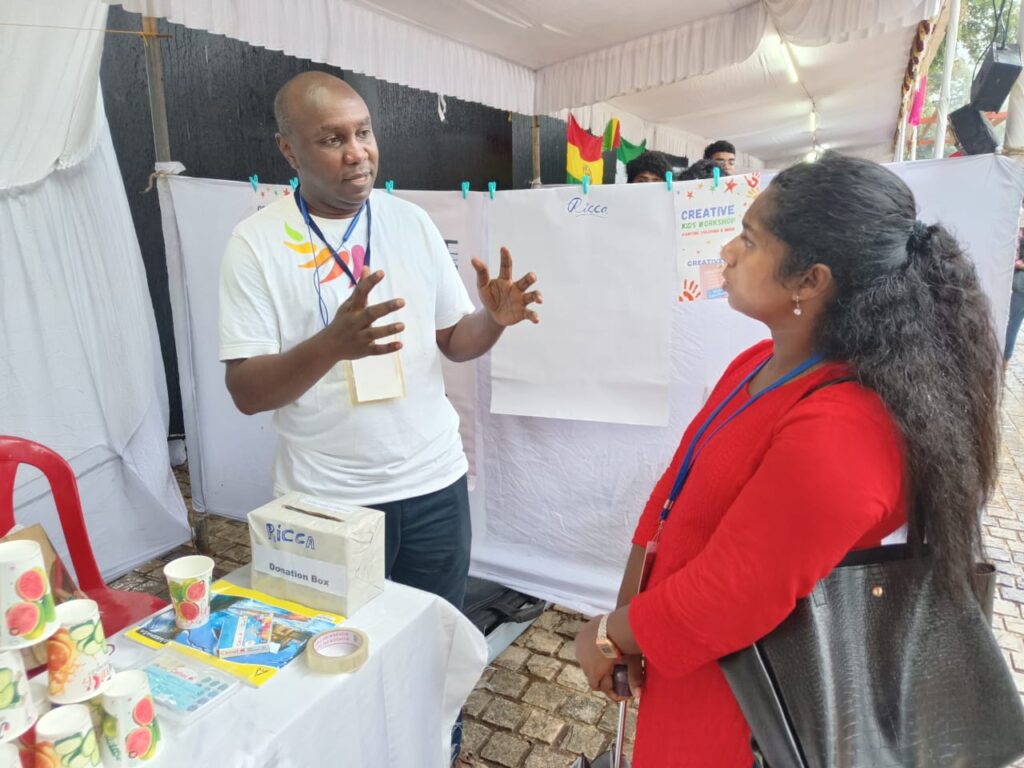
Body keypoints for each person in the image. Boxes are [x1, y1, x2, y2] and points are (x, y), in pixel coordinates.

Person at [574, 153, 1000, 767]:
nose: (726, 251)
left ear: (810, 281)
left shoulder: (849, 428)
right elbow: (673, 497)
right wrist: (627, 627)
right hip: (686, 661)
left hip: (752, 709)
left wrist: (611, 633)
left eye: (749, 240)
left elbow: (733, 591)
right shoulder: (753, 365)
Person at [219, 71, 542, 613]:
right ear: (288, 150)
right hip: (325, 498)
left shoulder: (411, 223)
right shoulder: (255, 243)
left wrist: (493, 320)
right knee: (335, 655)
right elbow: (247, 392)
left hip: (433, 483)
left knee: (431, 640)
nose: (357, 153)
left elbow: (455, 343)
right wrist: (331, 345)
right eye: (332, 139)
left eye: (363, 132)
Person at [1003, 231, 1024, 364]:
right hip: (1019, 288)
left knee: (1012, 325)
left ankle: (1004, 359)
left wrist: (1017, 264)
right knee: (1012, 324)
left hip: (1020, 288)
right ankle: (1004, 358)